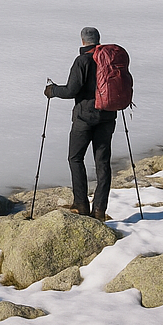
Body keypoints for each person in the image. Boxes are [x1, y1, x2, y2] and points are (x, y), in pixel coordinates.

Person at [44, 27, 116, 221]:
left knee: (75, 158)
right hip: (108, 118)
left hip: (85, 118)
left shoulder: (82, 60)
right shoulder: (110, 59)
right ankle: (99, 210)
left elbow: (71, 91)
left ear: (83, 41)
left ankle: (81, 205)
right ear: (98, 40)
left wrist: (52, 90)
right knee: (103, 164)